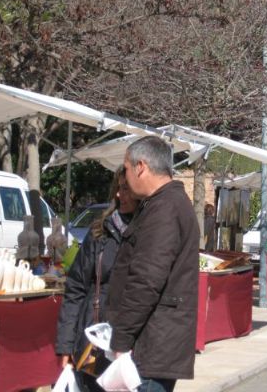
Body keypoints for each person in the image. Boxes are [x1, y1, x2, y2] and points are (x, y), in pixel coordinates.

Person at [106, 136, 200, 392]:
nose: (124, 178)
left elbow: (146, 281)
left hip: (150, 348)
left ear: (141, 167)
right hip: (154, 345)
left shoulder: (165, 208)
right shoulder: (164, 204)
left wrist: (121, 340)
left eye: (126, 169)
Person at [56, 166, 139, 391]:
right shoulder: (100, 233)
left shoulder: (150, 234)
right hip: (93, 344)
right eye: (118, 188)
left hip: (131, 349)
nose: (120, 195)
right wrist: (66, 345)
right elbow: (75, 289)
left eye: (127, 189)